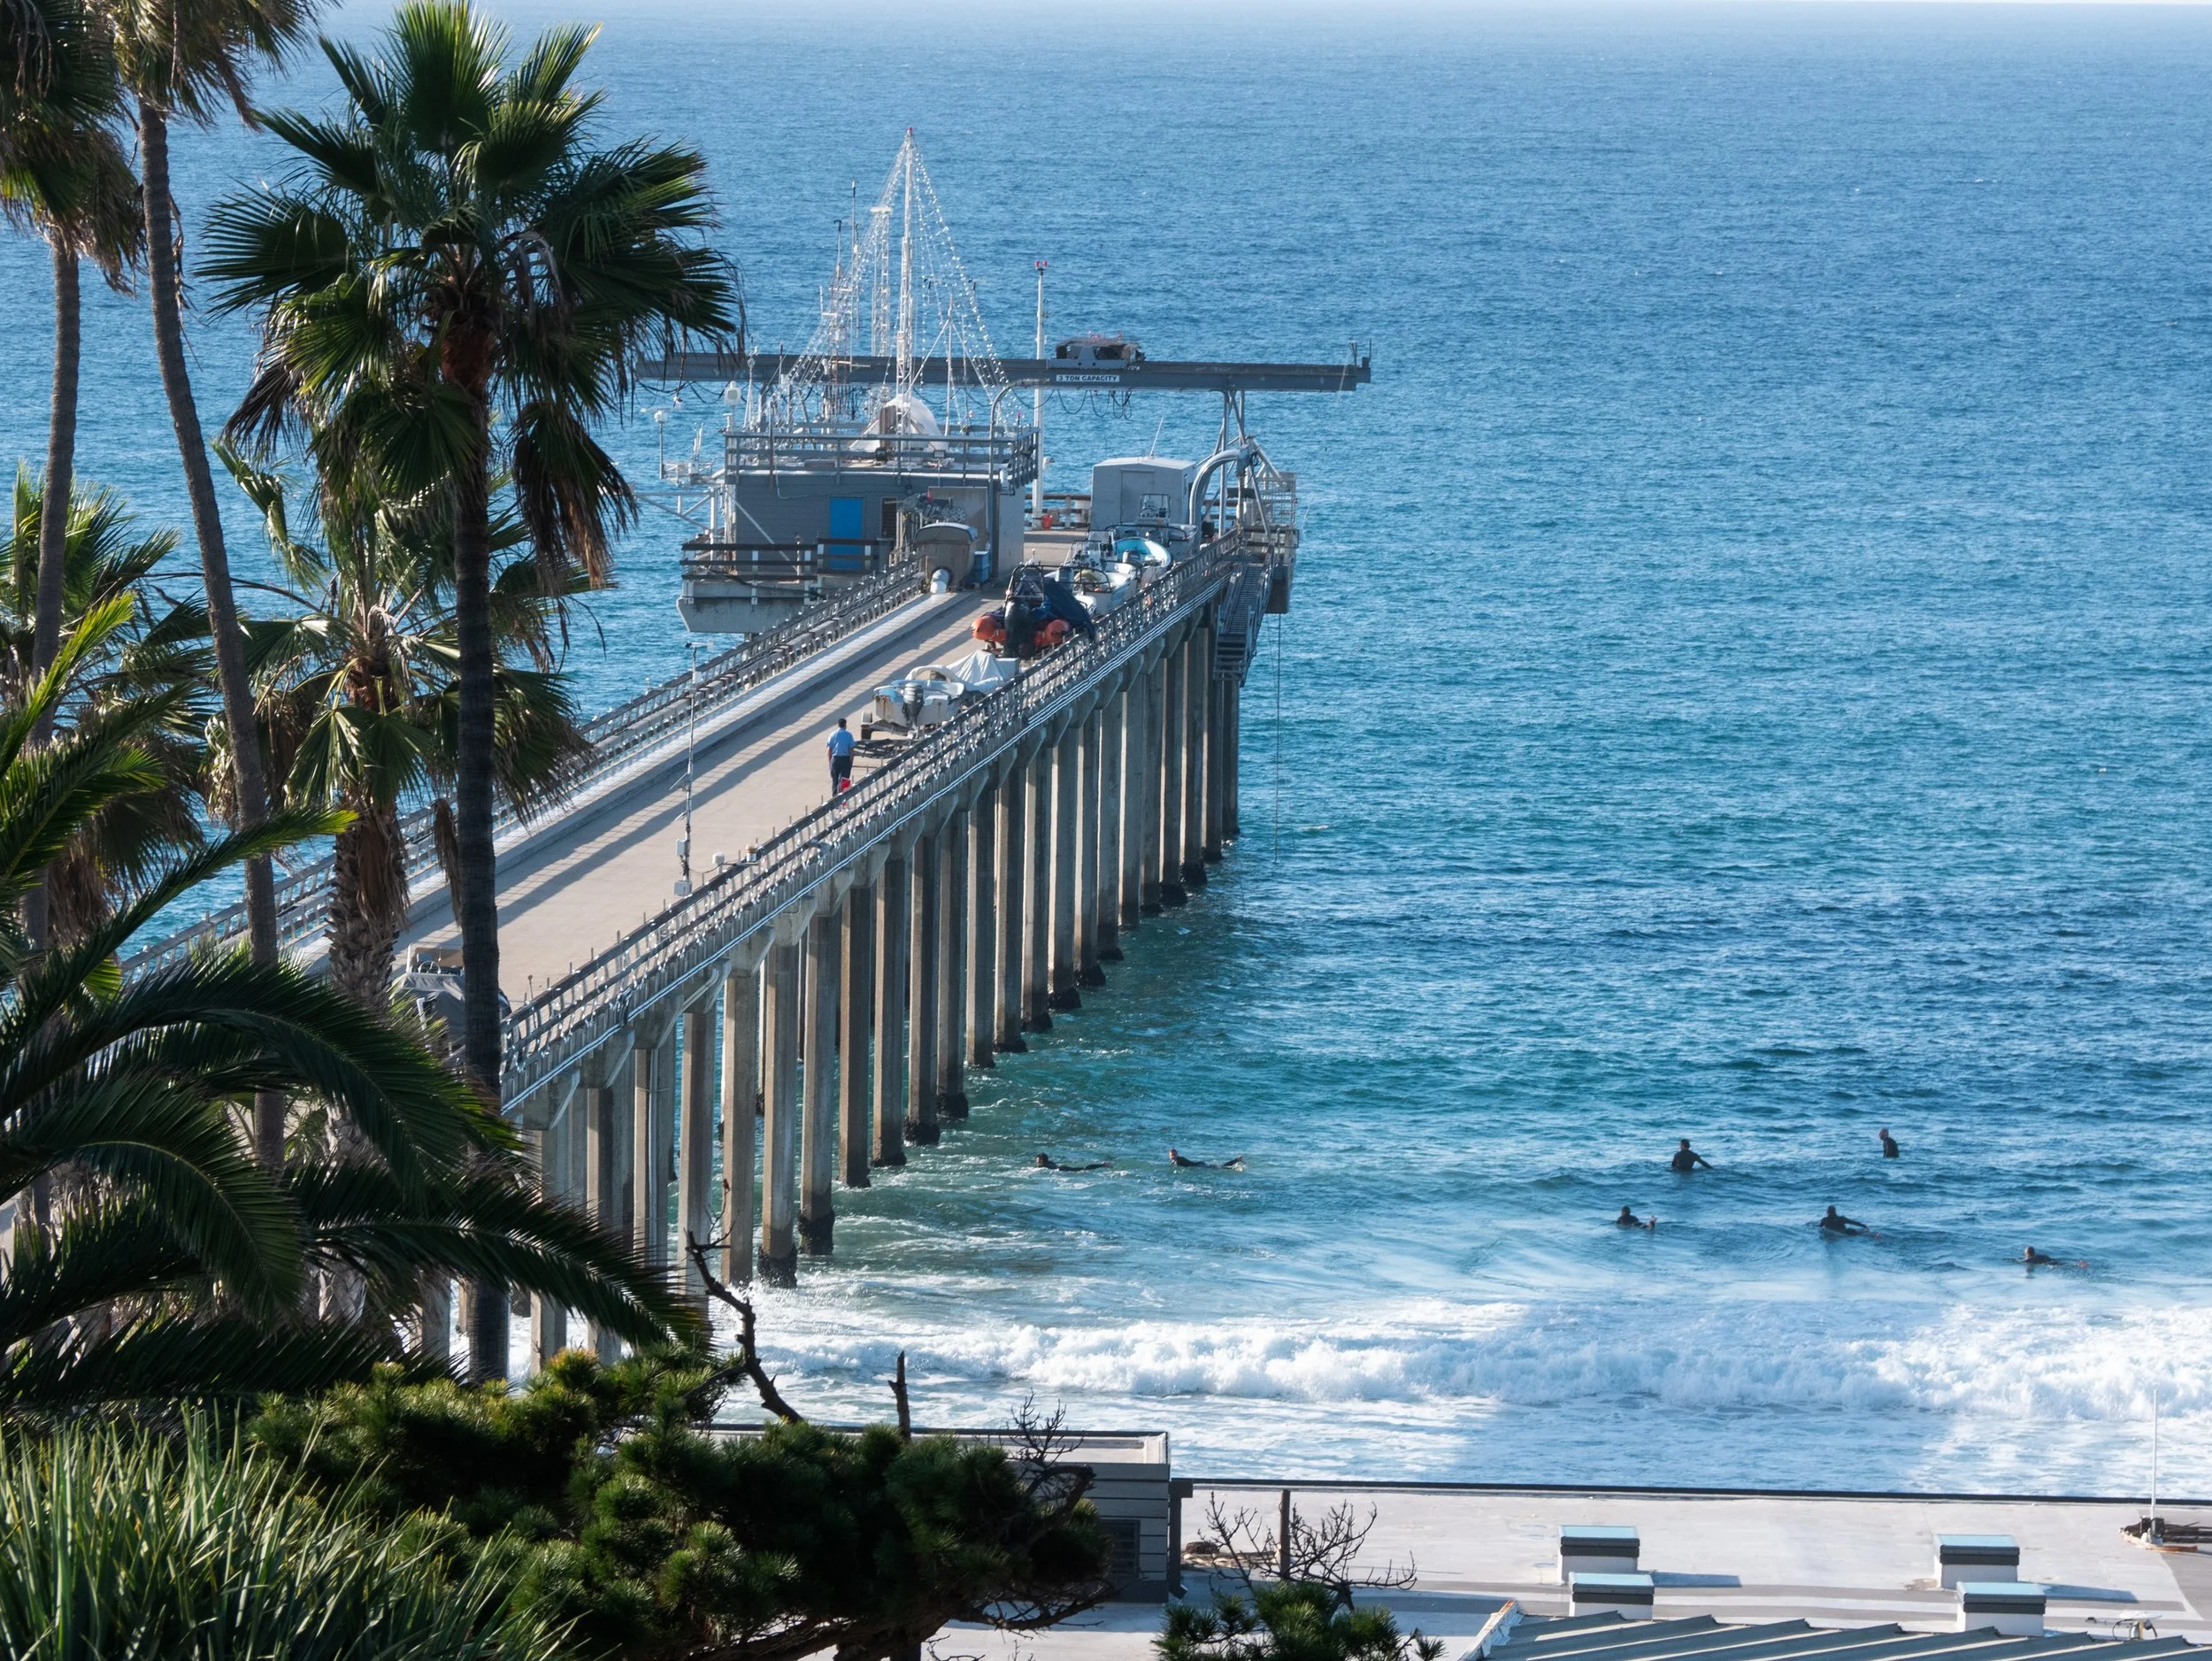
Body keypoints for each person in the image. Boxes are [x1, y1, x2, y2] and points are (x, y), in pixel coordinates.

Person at [826, 718, 856, 792]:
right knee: (845, 780)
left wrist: (830, 761)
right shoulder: (848, 735)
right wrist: (851, 760)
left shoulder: (832, 734)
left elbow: (829, 749)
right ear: (845, 725)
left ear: (838, 725)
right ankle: (844, 799)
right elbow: (851, 749)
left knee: (835, 780)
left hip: (835, 759)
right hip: (845, 759)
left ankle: (834, 798)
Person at [1169, 1148, 1244, 1169]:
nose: (1173, 1156)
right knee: (1220, 1167)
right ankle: (1236, 1162)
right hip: (1199, 1164)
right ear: (1169, 1156)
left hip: (1200, 1165)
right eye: (1172, 1155)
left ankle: (1237, 1160)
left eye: (1174, 1154)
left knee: (1221, 1168)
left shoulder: (1178, 1161)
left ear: (1177, 1154)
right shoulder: (1176, 1161)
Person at [1036, 1153, 1110, 1173]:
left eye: (1037, 1160)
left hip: (1062, 1169)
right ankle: (1102, 1165)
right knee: (1083, 1169)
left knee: (1084, 1169)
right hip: (1062, 1167)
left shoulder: (1042, 1166)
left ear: (1041, 1160)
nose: (1036, 1162)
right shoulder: (1049, 1162)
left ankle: (1102, 1165)